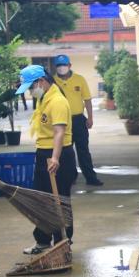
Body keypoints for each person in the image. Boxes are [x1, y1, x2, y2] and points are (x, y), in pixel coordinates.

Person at [16, 64, 77, 254]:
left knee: (59, 201)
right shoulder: (44, 99)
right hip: (43, 153)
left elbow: (59, 132)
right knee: (41, 200)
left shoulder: (57, 101)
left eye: (31, 87)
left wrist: (55, 158)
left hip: (58, 155)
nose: (30, 92)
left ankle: (62, 242)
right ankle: (42, 241)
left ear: (41, 81)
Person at [52, 54, 102, 185]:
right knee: (65, 152)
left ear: (69, 65)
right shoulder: (52, 82)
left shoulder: (79, 79)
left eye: (64, 65)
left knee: (83, 150)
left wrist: (90, 118)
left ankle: (91, 178)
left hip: (78, 120)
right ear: (55, 67)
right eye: (58, 65)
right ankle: (70, 178)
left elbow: (87, 99)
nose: (61, 67)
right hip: (61, 122)